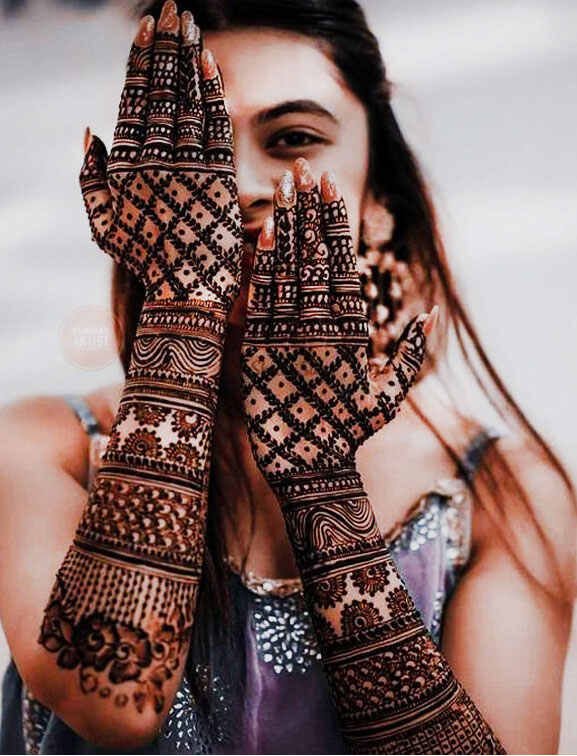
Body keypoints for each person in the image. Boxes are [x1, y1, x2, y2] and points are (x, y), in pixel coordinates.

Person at [0, 1, 575, 753]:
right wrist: (183, 303)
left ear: (378, 204)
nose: (234, 185)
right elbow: (113, 701)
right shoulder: (47, 446)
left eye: (293, 139)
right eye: (198, 148)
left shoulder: (505, 497)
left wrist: (318, 480)